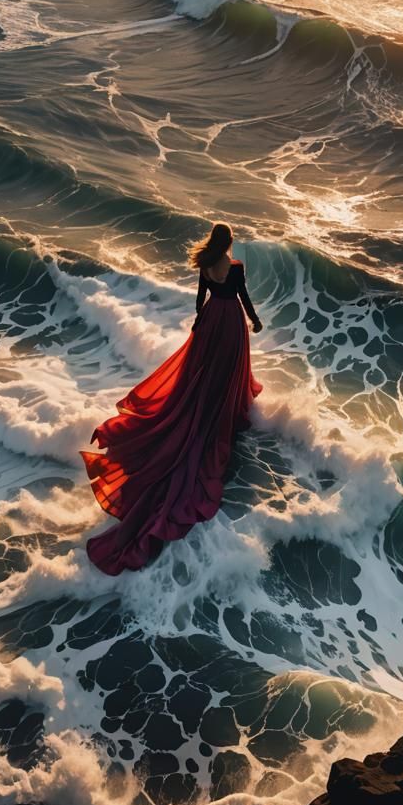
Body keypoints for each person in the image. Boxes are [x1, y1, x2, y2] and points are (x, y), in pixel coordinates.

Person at [81, 223, 263, 574]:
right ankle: (227, 408)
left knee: (203, 371)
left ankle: (207, 400)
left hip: (211, 320)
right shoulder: (236, 268)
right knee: (228, 370)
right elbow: (243, 298)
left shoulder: (206, 264)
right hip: (230, 323)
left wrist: (199, 323)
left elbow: (199, 300)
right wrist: (254, 321)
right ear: (230, 242)